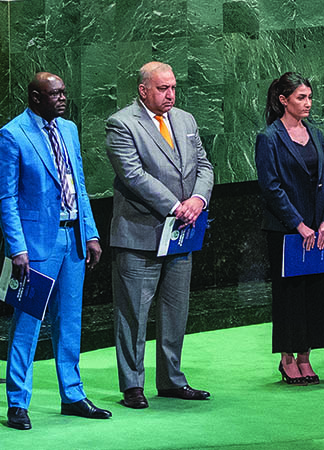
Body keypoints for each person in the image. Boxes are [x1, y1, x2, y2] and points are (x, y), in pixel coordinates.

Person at [0, 72, 111, 430]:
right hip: (36, 244)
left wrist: (89, 233)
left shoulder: (69, 129)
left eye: (63, 92)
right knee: (27, 323)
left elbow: (80, 184)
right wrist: (17, 248)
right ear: (34, 97)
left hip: (72, 237)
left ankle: (72, 394)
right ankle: (17, 402)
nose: (62, 98)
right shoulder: (12, 135)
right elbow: (5, 198)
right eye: (54, 93)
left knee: (70, 321)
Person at [105, 61, 214, 408]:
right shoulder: (122, 124)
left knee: (175, 310)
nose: (170, 95)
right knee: (134, 314)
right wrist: (176, 205)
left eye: (173, 88)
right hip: (140, 235)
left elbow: (205, 165)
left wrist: (197, 199)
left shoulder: (185, 120)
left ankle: (171, 379)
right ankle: (132, 385)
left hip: (181, 235)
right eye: (162, 88)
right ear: (143, 90)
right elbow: (134, 175)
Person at [255, 72, 324, 385]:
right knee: (290, 295)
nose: (308, 103)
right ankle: (288, 358)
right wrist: (299, 225)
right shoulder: (270, 138)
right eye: (301, 97)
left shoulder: (315, 135)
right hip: (287, 231)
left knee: (315, 291)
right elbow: (271, 187)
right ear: (283, 100)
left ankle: (307, 357)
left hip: (319, 229)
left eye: (309, 97)